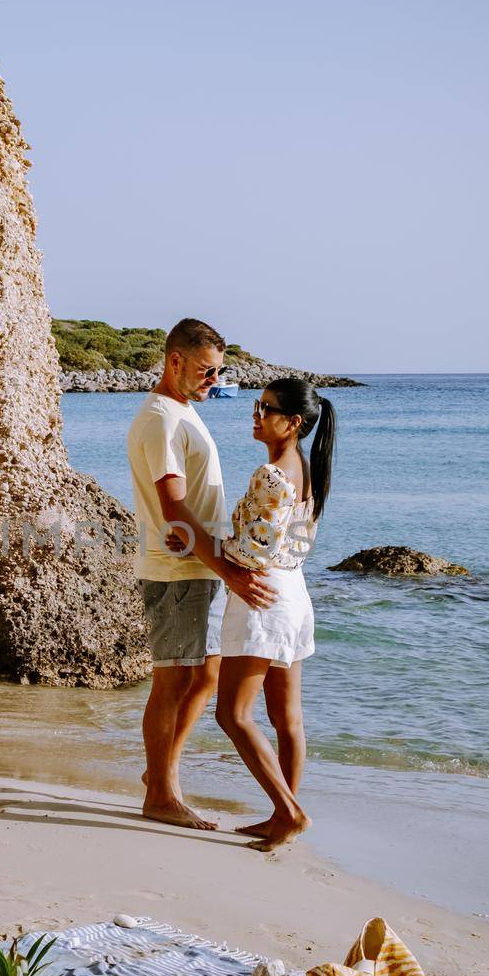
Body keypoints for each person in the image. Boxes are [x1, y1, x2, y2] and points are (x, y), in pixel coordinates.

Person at [126, 319, 277, 830]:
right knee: (171, 680)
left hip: (197, 561)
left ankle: (160, 775)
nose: (215, 380)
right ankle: (162, 793)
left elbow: (188, 504)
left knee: (204, 677)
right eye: (206, 370)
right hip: (177, 568)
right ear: (174, 362)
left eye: (219, 371)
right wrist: (229, 572)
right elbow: (173, 508)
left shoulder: (181, 411)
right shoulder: (162, 419)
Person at [214, 378, 337, 850]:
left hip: (262, 598)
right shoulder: (306, 470)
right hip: (294, 594)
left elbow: (252, 552)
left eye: (266, 409)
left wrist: (204, 547)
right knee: (288, 719)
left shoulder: (272, 475)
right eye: (256, 406)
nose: (256, 415)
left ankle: (288, 812)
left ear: (294, 422)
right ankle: (281, 814)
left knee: (233, 714)